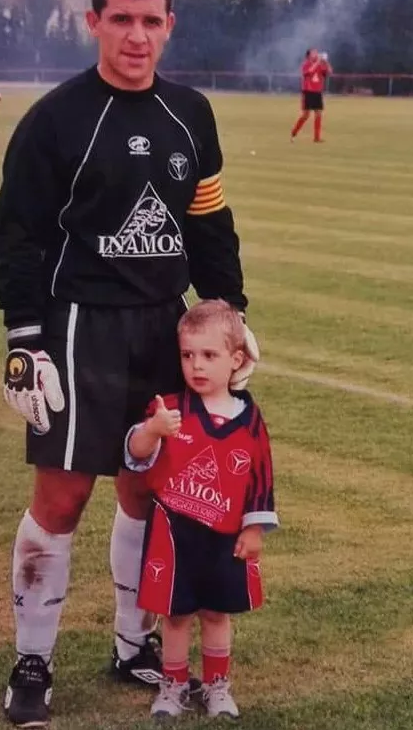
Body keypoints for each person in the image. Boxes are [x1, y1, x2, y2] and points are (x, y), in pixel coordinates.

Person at [0, 0, 259, 728]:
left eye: (151, 21)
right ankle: (31, 664)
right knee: (63, 496)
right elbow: (19, 237)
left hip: (163, 328)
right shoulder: (56, 120)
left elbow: (208, 223)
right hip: (77, 326)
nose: (136, 36)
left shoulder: (189, 115)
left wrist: (231, 313)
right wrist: (25, 340)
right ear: (94, 22)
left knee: (150, 492)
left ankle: (131, 643)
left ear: (168, 25)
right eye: (121, 19)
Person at [126, 300, 278, 720]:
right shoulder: (169, 409)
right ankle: (173, 685)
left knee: (215, 613)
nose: (197, 365)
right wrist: (152, 431)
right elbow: (136, 454)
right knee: (175, 617)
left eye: (209, 355)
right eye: (188, 355)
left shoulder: (248, 418)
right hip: (173, 535)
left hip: (224, 536)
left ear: (236, 359)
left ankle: (216, 686)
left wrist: (254, 529)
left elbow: (260, 476)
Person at [291, 48, 333, 143]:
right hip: (308, 91)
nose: (316, 54)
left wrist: (326, 62)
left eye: (317, 53)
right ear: (308, 55)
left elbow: (329, 72)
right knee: (306, 115)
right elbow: (308, 72)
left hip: (317, 92)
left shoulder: (320, 64)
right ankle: (294, 132)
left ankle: (317, 137)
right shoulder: (306, 64)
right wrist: (318, 62)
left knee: (318, 113)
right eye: (314, 53)